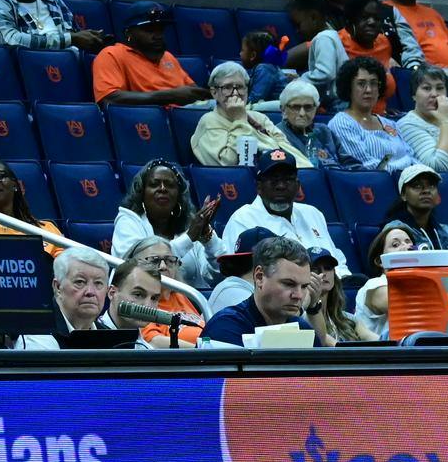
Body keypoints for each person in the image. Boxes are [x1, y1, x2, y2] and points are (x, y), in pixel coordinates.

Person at [220, 149, 346, 267]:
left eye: (288, 180)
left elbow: (336, 259)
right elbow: (237, 272)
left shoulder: (312, 213)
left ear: (298, 185)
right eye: (274, 180)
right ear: (259, 186)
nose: (281, 186)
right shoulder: (243, 219)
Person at [201, 236, 336, 347]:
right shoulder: (225, 329)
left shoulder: (303, 329)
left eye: (304, 286)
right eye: (288, 284)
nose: (298, 295)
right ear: (259, 277)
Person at [112, 159, 222, 292]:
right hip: (144, 303)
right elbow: (136, 266)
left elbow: (219, 274)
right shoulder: (128, 220)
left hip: (192, 306)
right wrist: (189, 237)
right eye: (154, 184)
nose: (163, 188)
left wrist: (207, 237)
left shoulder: (191, 223)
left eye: (169, 185)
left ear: (178, 194)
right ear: (142, 192)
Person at [192, 62, 310, 167]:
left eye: (240, 87)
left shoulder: (259, 117)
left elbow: (285, 148)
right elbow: (227, 163)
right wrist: (239, 120)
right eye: (227, 87)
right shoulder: (209, 121)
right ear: (214, 92)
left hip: (287, 170)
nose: (235, 93)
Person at [92, 3, 209, 107]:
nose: (158, 35)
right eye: (149, 30)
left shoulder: (168, 56)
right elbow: (109, 99)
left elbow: (192, 91)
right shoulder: (111, 54)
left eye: (160, 29)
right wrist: (168, 96)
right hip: (150, 122)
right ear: (128, 33)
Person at [328, 55, 416, 172]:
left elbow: (411, 156)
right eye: (361, 84)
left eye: (373, 83)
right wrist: (407, 170)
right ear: (349, 88)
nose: (368, 90)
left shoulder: (389, 123)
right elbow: (368, 167)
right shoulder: (341, 123)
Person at [15, 248, 115, 350]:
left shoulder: (111, 337)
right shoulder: (38, 334)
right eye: (80, 282)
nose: (90, 292)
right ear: (58, 287)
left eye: (98, 283)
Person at [111, 239, 204, 348]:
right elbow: (152, 342)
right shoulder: (140, 303)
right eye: (154, 261)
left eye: (169, 260)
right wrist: (204, 350)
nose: (163, 266)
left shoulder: (190, 296)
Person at [381, 165, 448, 251]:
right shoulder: (394, 230)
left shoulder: (447, 232)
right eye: (417, 186)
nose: (426, 191)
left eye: (431, 186)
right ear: (403, 195)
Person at [354, 225, 417, 338]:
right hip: (380, 354)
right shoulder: (374, 285)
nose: (406, 247)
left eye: (408, 242)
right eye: (395, 245)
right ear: (380, 261)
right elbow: (408, 306)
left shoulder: (419, 284)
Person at [312, 248, 376, 343]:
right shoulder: (305, 316)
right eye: (316, 269)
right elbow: (330, 344)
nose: (323, 274)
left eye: (328, 268)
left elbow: (378, 341)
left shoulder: (348, 319)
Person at [276, 80, 337, 167]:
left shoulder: (324, 131)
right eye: (296, 107)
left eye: (308, 107)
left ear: (316, 109)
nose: (302, 113)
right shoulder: (277, 135)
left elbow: (348, 161)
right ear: (283, 110)